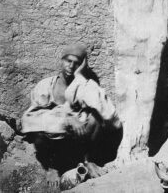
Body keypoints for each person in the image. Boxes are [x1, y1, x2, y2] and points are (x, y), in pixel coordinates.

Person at [21, 43, 121, 187]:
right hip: (52, 138)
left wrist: (80, 77)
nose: (71, 66)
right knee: (38, 129)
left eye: (77, 63)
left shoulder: (83, 86)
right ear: (61, 60)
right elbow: (31, 117)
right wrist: (66, 119)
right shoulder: (46, 85)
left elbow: (106, 111)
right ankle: (52, 167)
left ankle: (89, 160)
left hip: (77, 137)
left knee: (95, 118)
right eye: (68, 61)